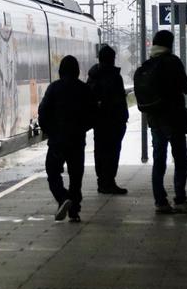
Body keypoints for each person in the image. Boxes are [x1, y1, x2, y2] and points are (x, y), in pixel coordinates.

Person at [141, 30, 187, 215]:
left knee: (159, 161)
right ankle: (180, 200)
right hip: (173, 119)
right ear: (170, 44)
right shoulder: (172, 62)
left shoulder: (148, 64)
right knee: (180, 160)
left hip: (155, 121)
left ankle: (160, 201)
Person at [38, 55, 95, 222]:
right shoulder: (84, 89)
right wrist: (82, 128)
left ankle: (63, 198)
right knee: (76, 176)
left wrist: (50, 132)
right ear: (77, 71)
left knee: (53, 172)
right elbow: (93, 115)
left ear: (60, 71)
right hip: (77, 140)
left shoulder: (53, 88)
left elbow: (43, 113)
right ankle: (74, 211)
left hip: (57, 141)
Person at [87, 44, 129, 194]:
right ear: (112, 59)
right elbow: (118, 100)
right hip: (114, 122)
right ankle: (109, 182)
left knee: (100, 151)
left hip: (99, 122)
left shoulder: (92, 76)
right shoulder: (113, 76)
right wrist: (123, 118)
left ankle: (102, 182)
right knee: (112, 152)